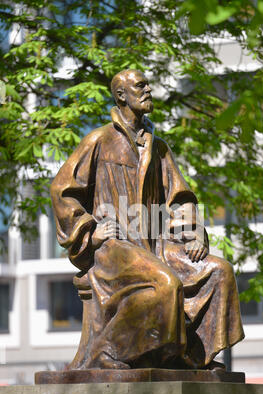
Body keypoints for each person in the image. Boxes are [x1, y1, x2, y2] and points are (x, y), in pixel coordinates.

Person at [50, 69, 244, 371]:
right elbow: (62, 190)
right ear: (121, 96)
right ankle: (107, 351)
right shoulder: (99, 140)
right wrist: (91, 232)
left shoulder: (158, 146)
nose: (148, 90)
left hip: (155, 241)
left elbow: (180, 197)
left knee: (220, 272)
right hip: (114, 247)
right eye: (140, 85)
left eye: (148, 84)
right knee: (164, 282)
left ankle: (190, 356)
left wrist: (193, 233)